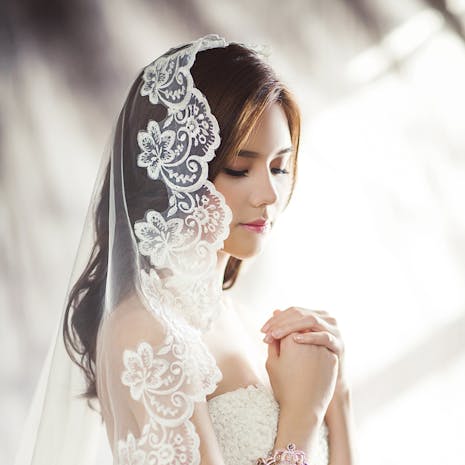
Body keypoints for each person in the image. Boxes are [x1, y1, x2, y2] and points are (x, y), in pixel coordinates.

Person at [15, 34, 356, 465]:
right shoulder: (144, 333)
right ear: (177, 171)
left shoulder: (240, 319)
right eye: (239, 168)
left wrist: (338, 398)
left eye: (279, 167)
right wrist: (303, 419)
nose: (269, 193)